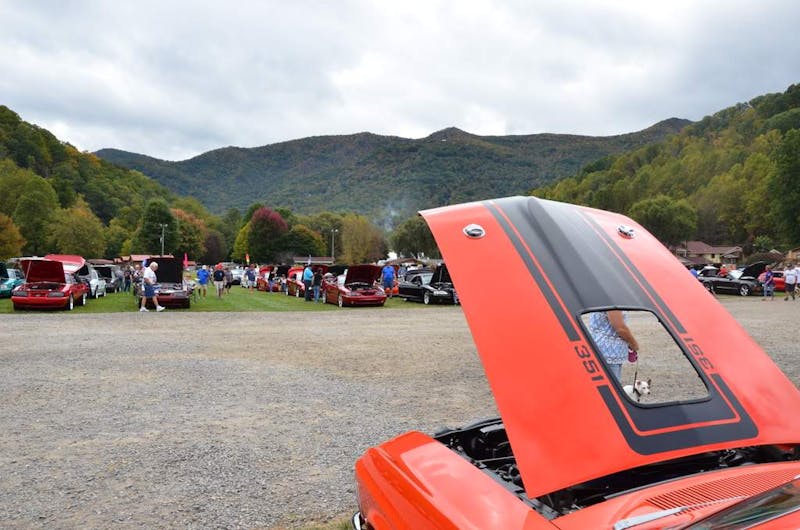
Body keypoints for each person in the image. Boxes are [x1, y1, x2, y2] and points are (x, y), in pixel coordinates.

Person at [588, 310, 639, 382]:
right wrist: (633, 344)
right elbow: (620, 328)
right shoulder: (611, 301)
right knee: (611, 387)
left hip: (609, 354)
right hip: (607, 354)